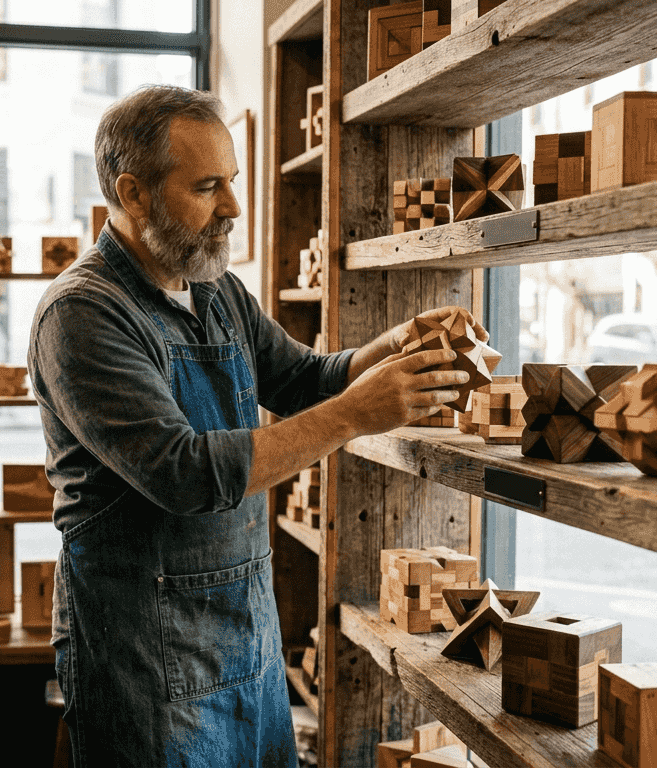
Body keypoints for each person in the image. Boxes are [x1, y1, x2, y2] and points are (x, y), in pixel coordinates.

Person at [27, 85, 485, 768]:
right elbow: (185, 474)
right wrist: (360, 412)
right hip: (143, 658)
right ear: (134, 193)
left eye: (232, 182)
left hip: (244, 637)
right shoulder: (83, 315)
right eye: (208, 187)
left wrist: (388, 348)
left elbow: (302, 379)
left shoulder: (215, 290)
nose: (234, 208)